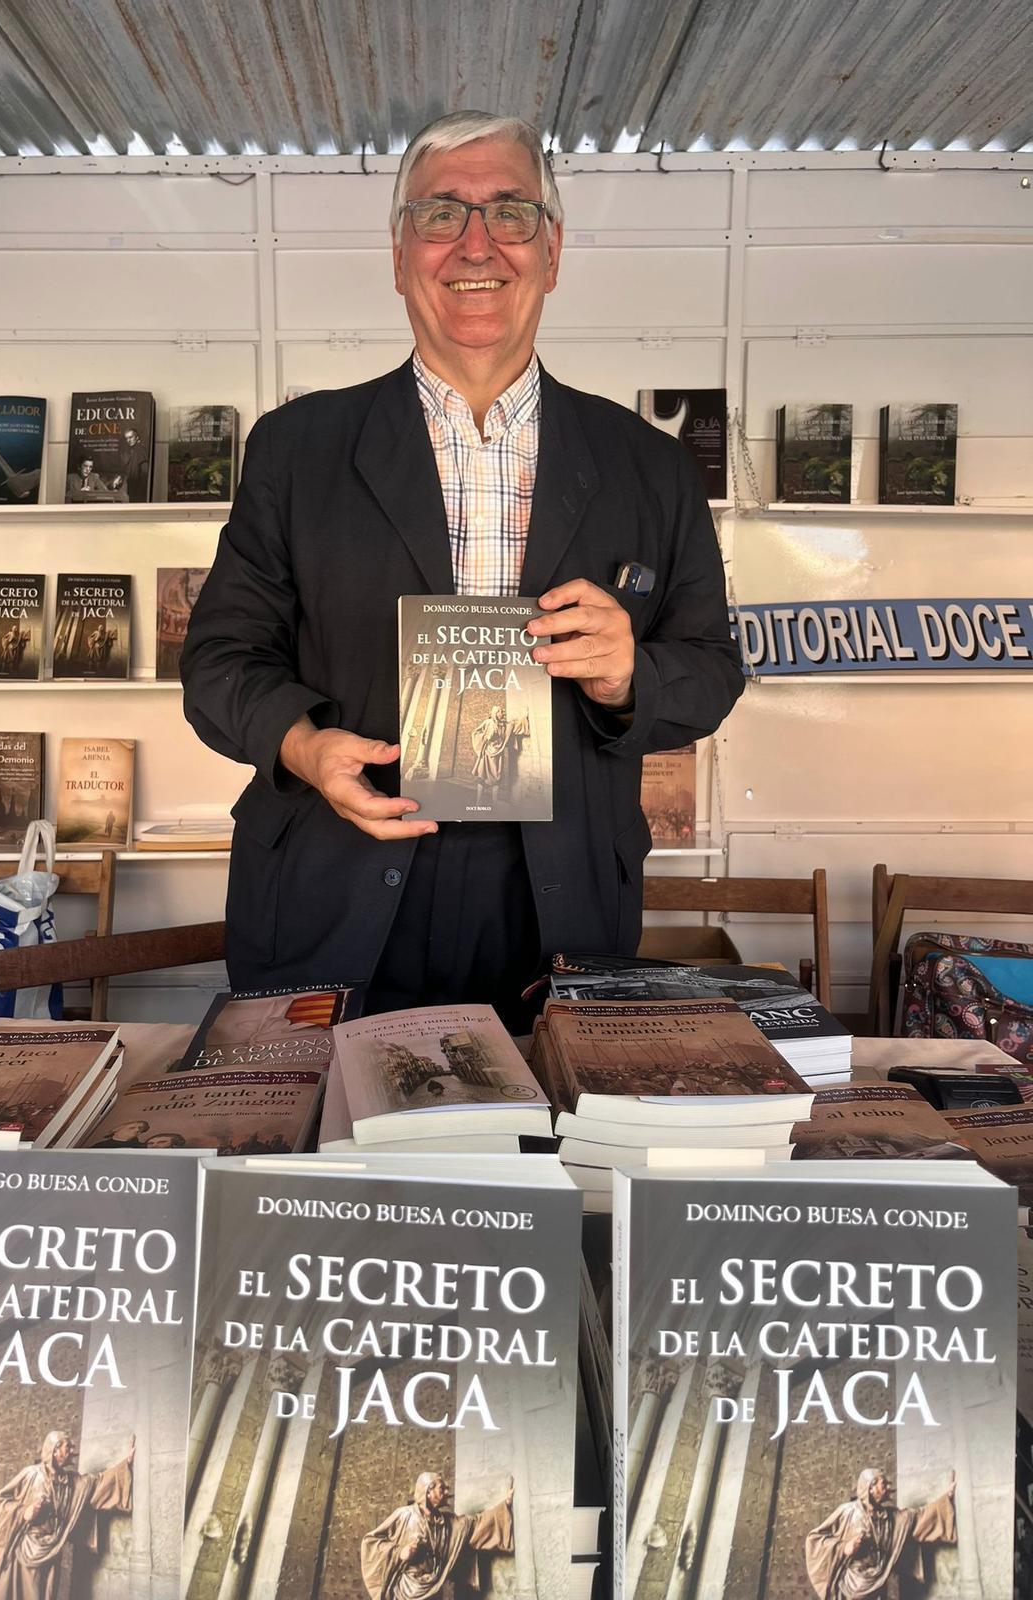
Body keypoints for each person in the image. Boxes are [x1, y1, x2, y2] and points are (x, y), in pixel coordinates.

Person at [181, 110, 744, 1026]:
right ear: (401, 255)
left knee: (552, 1158)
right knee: (323, 1163)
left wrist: (627, 674)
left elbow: (713, 672)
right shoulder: (297, 449)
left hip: (556, 900)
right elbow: (217, 667)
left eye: (510, 213)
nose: (475, 243)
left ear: (552, 253)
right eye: (440, 214)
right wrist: (304, 747)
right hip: (339, 873)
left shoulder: (649, 462)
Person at [0, 1430, 134, 1599]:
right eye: (67, 1447)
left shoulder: (71, 1482)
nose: (72, 1451)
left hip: (53, 1549)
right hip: (29, 1549)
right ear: (54, 1450)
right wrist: (25, 1511)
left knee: (46, 1593)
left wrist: (126, 1465)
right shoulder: (31, 1474)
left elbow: (97, 1484)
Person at [805, 1466, 956, 1598]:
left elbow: (917, 1517)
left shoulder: (890, 1517)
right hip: (853, 1584)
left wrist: (946, 1500)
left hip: (878, 1581)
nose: (888, 1488)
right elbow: (815, 1539)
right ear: (870, 1488)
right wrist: (844, 1547)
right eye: (883, 1484)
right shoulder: (847, 1512)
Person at [360, 1471, 513, 1599]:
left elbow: (475, 1525)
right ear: (428, 1491)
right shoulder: (404, 1515)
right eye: (442, 1488)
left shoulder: (447, 1523)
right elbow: (371, 1542)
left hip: (433, 1589)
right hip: (407, 1590)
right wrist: (400, 1552)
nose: (447, 1492)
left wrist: (505, 1505)